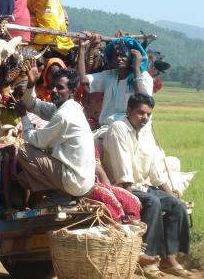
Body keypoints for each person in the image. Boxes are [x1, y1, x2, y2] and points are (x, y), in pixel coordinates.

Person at [103, 93, 193, 278]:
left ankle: (169, 258)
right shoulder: (118, 128)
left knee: (176, 206)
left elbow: (155, 172)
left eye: (148, 114)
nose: (144, 117)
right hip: (121, 187)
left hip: (142, 186)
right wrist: (130, 203)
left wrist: (172, 195)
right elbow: (123, 173)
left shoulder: (146, 131)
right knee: (153, 202)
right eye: (140, 113)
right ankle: (148, 258)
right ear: (129, 111)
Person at [15, 62, 95, 200]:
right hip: (82, 181)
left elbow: (37, 142)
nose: (54, 91)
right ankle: (54, 193)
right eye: (53, 86)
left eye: (60, 88)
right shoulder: (67, 107)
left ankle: (57, 195)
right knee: (23, 179)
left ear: (72, 92)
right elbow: (32, 105)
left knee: (24, 150)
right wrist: (31, 84)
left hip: (74, 181)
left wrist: (23, 116)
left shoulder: (64, 115)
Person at [78, 35, 153, 127]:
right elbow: (83, 80)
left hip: (129, 130)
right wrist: (81, 49)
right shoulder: (109, 76)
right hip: (106, 129)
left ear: (131, 57)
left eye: (123, 55)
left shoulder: (144, 77)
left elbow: (143, 102)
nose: (118, 58)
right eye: (116, 55)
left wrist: (136, 68)